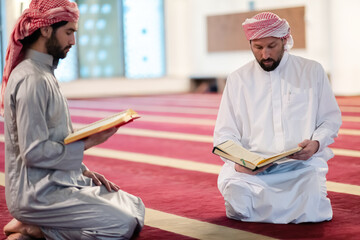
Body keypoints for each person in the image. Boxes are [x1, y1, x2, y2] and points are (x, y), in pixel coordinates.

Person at [1, 1, 145, 239]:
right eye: (69, 32)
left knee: (135, 206)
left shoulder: (45, 74)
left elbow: (57, 138)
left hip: (58, 180)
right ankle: (35, 227)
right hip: (37, 194)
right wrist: (90, 141)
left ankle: (38, 229)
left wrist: (82, 170)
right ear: (45, 29)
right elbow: (34, 153)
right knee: (122, 224)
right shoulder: (32, 79)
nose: (73, 42)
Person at [214, 12, 342, 224]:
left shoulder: (311, 71)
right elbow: (225, 133)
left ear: (284, 40)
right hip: (252, 174)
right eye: (258, 47)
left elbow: (330, 119)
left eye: (271, 46)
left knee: (312, 210)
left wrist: (317, 143)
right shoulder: (238, 79)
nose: (265, 55)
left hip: (300, 168)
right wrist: (240, 164)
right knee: (239, 207)